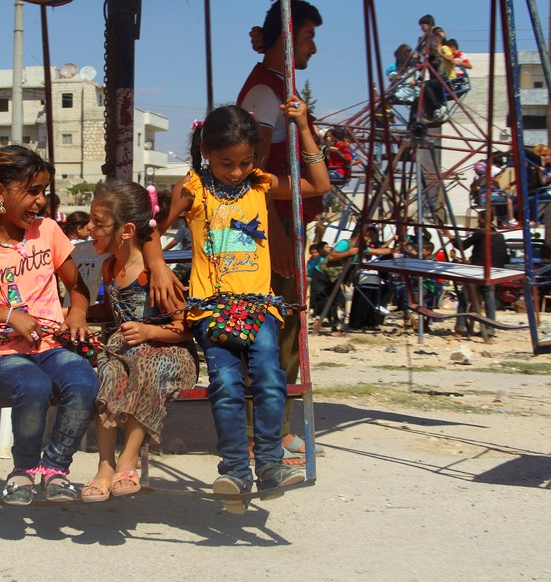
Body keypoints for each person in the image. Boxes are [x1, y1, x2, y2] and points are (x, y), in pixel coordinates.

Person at [144, 104, 328, 513]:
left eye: (245, 162)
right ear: (206, 151)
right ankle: (234, 473)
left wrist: (301, 126)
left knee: (269, 374)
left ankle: (271, 465)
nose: (236, 171)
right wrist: (157, 264)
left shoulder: (261, 184)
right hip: (211, 308)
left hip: (259, 306)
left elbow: (318, 184)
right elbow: (150, 229)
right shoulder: (192, 188)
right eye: (226, 162)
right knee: (225, 386)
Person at [0, 145, 98, 505]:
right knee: (34, 386)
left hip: (51, 346)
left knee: (84, 379)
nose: (40, 201)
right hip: (3, 354)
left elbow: (78, 286)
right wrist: (7, 315)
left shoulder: (49, 232)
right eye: (31, 191)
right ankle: (23, 470)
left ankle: (54, 467)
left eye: (43, 191)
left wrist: (77, 312)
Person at [237, 0, 325, 465]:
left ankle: (281, 426)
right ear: (288, 39)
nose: (314, 46)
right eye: (308, 36)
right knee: (269, 331)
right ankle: (260, 433)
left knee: (288, 329)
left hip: (284, 226)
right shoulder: (264, 95)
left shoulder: (280, 91)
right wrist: (280, 239)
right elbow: (251, 176)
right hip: (270, 231)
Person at [79, 180, 198, 503]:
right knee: (108, 371)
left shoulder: (153, 273)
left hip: (168, 352)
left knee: (145, 363)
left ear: (127, 230)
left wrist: (149, 332)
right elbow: (111, 311)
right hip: (125, 349)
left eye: (98, 223)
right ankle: (104, 465)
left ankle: (127, 459)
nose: (89, 228)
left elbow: (184, 327)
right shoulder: (109, 267)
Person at [453, 211, 509, 340]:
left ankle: (459, 330)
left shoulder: (480, 234)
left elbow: (461, 246)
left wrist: (450, 236)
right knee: (489, 303)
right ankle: (489, 330)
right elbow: (505, 257)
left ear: (484, 219)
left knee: (464, 300)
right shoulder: (499, 236)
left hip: (476, 273)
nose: (477, 222)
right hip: (492, 274)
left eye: (479, 219)